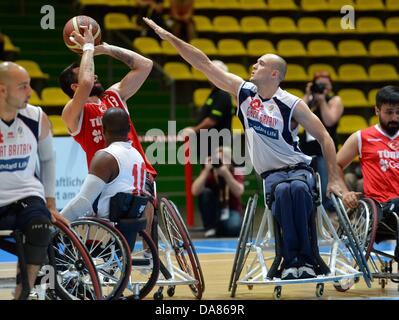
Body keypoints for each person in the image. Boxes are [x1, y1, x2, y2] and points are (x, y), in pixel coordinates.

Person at [143, 17, 345, 280]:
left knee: (296, 188)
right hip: (271, 174)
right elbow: (202, 63)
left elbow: (325, 138)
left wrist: (335, 178)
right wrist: (169, 37)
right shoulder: (243, 92)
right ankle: (290, 259)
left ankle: (306, 259)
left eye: (260, 63)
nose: (254, 65)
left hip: (298, 167)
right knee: (284, 191)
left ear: (274, 74)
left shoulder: (292, 103)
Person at [59, 24, 157, 238]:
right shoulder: (74, 111)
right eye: (87, 72)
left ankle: (150, 255)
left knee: (146, 201)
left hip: (136, 170)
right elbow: (85, 82)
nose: (94, 75)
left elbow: (145, 65)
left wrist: (105, 49)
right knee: (99, 239)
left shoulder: (115, 95)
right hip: (104, 173)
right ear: (73, 88)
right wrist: (87, 49)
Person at [0, 62, 67, 299]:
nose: (30, 92)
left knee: (41, 227)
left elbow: (48, 160)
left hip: (26, 195)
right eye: (23, 86)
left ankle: (23, 292)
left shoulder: (36, 117)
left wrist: (50, 203)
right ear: (2, 90)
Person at [61, 108, 148, 248]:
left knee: (55, 229)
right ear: (129, 128)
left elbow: (83, 202)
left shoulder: (105, 157)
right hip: (129, 228)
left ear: (103, 129)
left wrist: (57, 220)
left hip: (103, 232)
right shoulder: (138, 156)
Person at [337, 86, 399, 243]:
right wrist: (345, 193)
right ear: (377, 110)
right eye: (389, 112)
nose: (395, 118)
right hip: (379, 209)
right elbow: (335, 165)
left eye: (398, 112)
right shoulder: (361, 137)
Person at [300, 71, 343, 211]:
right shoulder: (309, 102)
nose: (322, 87)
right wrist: (308, 94)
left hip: (325, 151)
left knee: (326, 187)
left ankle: (330, 217)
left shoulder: (334, 100)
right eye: (319, 84)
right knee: (307, 186)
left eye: (325, 84)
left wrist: (322, 101)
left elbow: (330, 121)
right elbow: (294, 116)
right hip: (307, 150)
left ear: (330, 86)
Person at [185, 60, 235, 159]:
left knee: (218, 171)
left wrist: (194, 130)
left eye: (213, 73)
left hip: (217, 143)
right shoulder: (214, 93)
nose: (210, 76)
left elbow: (211, 121)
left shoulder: (223, 94)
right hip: (207, 143)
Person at [191, 146, 244, 238]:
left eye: (224, 159)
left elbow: (239, 192)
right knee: (205, 192)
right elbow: (195, 191)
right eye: (219, 159)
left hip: (230, 210)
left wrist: (226, 174)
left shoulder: (236, 171)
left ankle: (219, 228)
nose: (221, 162)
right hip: (213, 211)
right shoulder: (210, 172)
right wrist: (206, 170)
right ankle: (211, 228)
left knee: (234, 228)